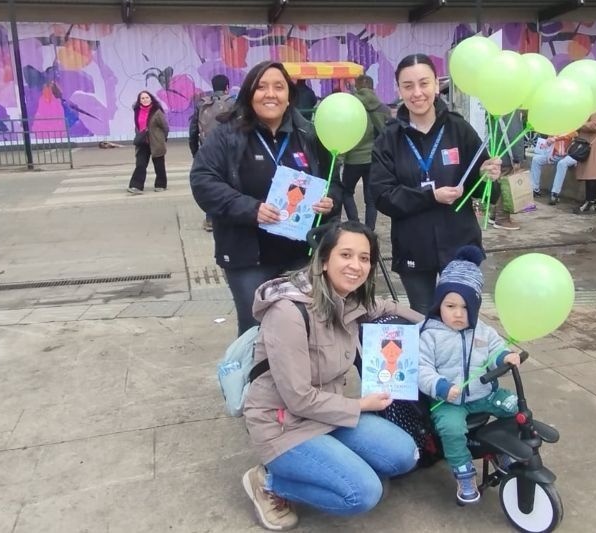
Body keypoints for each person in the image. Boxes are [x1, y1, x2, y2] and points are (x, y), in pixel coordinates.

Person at [242, 221, 423, 531]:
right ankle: (269, 482)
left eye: (364, 258)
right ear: (324, 260)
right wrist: (361, 406)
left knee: (405, 456)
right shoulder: (289, 312)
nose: (356, 265)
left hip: (330, 412)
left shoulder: (348, 300)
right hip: (284, 424)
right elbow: (298, 398)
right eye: (346, 255)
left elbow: (383, 305)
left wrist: (436, 326)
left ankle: (335, 463)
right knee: (363, 493)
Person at [189, 61, 342, 336]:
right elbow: (203, 180)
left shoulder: (307, 134)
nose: (270, 94)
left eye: (278, 87)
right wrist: (251, 209)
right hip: (248, 257)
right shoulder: (227, 135)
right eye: (261, 87)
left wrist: (329, 202)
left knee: (302, 328)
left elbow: (335, 185)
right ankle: (252, 380)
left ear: (289, 97)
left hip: (300, 256)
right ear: (249, 93)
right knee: (255, 332)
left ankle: (293, 380)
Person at [370, 53, 501, 315]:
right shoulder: (389, 138)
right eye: (408, 86)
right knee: (423, 317)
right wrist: (431, 196)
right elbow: (383, 196)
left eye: (424, 83)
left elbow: (486, 191)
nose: (417, 93)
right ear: (398, 90)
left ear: (436, 84)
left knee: (462, 315)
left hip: (461, 242)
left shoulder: (458, 128)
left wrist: (488, 176)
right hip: (413, 246)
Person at [417, 245, 523, 505]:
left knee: (514, 407)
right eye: (450, 305)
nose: (457, 313)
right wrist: (441, 387)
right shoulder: (428, 333)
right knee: (451, 429)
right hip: (449, 400)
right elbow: (420, 369)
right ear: (438, 304)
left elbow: (496, 349)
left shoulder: (482, 331)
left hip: (484, 393)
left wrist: (505, 356)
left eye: (465, 307)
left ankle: (498, 449)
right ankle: (463, 472)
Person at [341, 75, 389, 230]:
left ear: (357, 87)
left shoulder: (350, 106)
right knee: (371, 199)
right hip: (373, 159)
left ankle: (354, 224)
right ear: (372, 87)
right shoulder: (383, 108)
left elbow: (344, 132)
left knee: (346, 192)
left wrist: (340, 157)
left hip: (353, 159)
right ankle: (369, 230)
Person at [189, 74, 235, 232]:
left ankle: (210, 220)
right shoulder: (233, 102)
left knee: (212, 183)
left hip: (207, 150)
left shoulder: (202, 103)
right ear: (227, 87)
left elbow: (193, 130)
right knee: (230, 182)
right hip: (231, 149)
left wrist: (196, 152)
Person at [487, 111, 525, 230]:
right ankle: (502, 219)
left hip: (496, 152)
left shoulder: (495, 109)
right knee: (506, 189)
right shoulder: (510, 111)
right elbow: (515, 135)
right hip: (507, 156)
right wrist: (518, 158)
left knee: (498, 185)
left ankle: (494, 214)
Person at [128, 91, 169, 194]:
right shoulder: (137, 111)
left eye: (147, 97)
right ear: (139, 100)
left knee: (159, 165)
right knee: (140, 164)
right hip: (142, 142)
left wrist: (162, 139)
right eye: (142, 98)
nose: (145, 100)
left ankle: (161, 185)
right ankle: (136, 186)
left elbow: (165, 127)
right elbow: (137, 126)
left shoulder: (157, 111)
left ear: (151, 99)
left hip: (156, 142)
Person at [529, 131, 577, 206]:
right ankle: (535, 189)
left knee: (561, 164)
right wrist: (548, 144)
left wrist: (555, 138)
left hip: (569, 155)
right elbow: (548, 144)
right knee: (536, 159)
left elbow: (572, 134)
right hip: (555, 155)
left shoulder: (571, 127)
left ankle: (555, 194)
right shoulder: (554, 129)